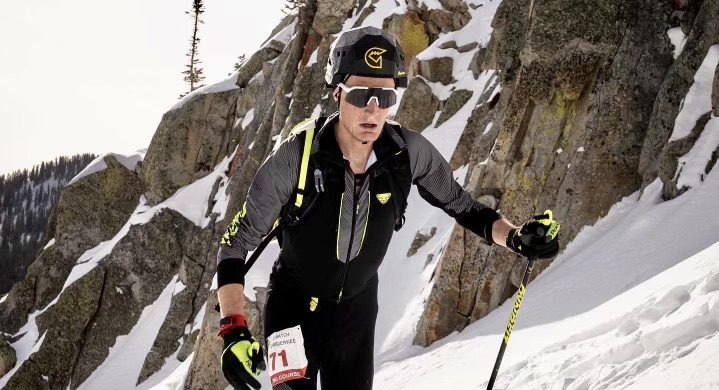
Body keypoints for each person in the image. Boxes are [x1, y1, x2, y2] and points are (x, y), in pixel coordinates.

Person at [216, 26, 560, 390]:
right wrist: (233, 330)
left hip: (356, 314)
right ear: (337, 93)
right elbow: (235, 244)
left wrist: (518, 239)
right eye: (361, 94)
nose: (373, 108)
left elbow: (463, 205)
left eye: (385, 96)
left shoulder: (407, 153)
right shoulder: (296, 157)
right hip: (294, 308)